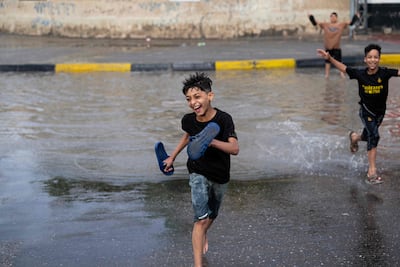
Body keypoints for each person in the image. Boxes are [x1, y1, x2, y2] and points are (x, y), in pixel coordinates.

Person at [162, 72, 239, 266]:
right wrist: (172, 157)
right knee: (199, 219)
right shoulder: (188, 120)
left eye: (197, 97)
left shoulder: (223, 119)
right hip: (197, 170)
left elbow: (234, 149)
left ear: (209, 96)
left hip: (220, 173)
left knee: (212, 215)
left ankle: (203, 233)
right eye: (188, 99)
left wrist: (210, 141)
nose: (193, 102)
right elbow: (188, 136)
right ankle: (198, 264)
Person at [317, 44, 400, 184]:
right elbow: (344, 68)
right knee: (374, 135)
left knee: (368, 136)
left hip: (380, 113)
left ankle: (354, 137)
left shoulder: (385, 73)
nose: (373, 60)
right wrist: (330, 58)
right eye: (370, 57)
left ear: (379, 59)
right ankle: (372, 171)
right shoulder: (360, 74)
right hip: (366, 111)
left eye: (375, 57)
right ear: (365, 59)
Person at [309, 12, 359, 78]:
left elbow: (351, 23)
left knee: (339, 62)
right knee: (327, 62)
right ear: (330, 18)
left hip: (336, 47)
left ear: (336, 17)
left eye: (334, 16)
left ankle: (342, 75)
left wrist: (355, 16)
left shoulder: (341, 24)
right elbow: (315, 23)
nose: (333, 18)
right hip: (328, 46)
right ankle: (327, 75)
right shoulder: (325, 24)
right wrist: (311, 17)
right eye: (331, 16)